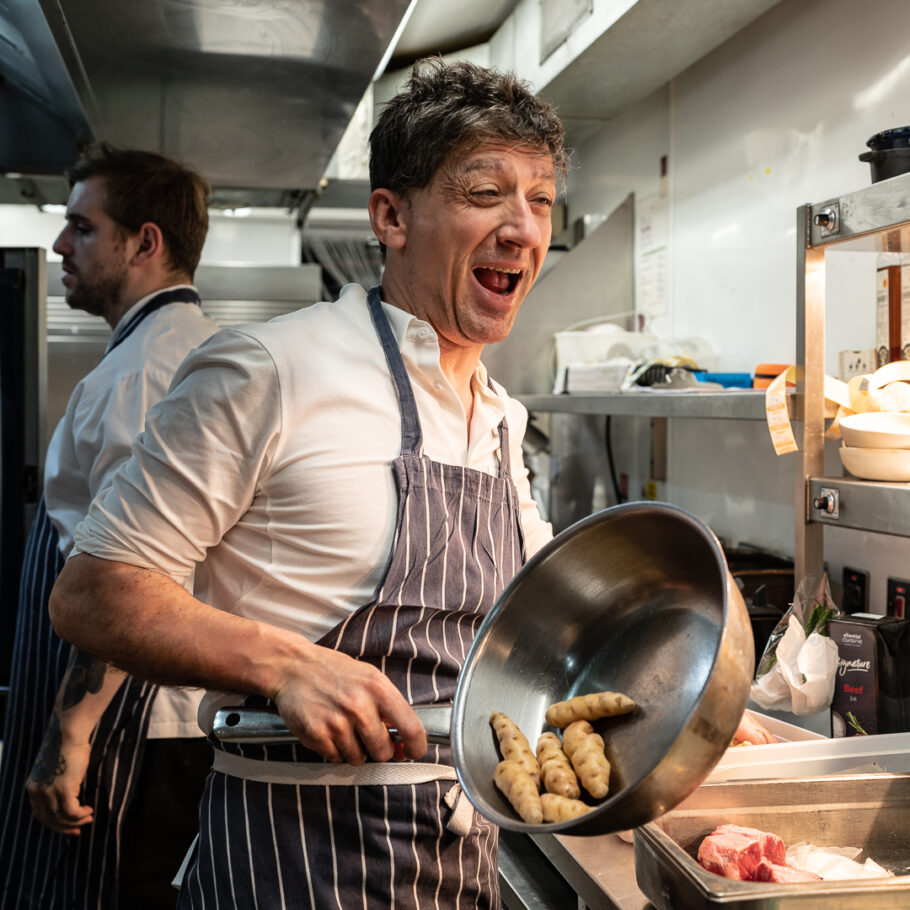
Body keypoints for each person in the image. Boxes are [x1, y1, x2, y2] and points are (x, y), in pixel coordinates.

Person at [50, 58, 567, 908]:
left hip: (457, 865)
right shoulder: (271, 368)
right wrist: (284, 664)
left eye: (540, 200)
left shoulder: (500, 418)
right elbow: (91, 595)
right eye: (485, 193)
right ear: (390, 216)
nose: (523, 228)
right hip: (288, 863)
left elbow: (539, 625)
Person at [0, 143, 219, 909]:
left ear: (145, 243)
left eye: (82, 228)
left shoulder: (147, 375)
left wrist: (69, 737)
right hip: (137, 724)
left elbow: (133, 575)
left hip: (131, 731)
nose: (62, 245)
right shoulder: (166, 355)